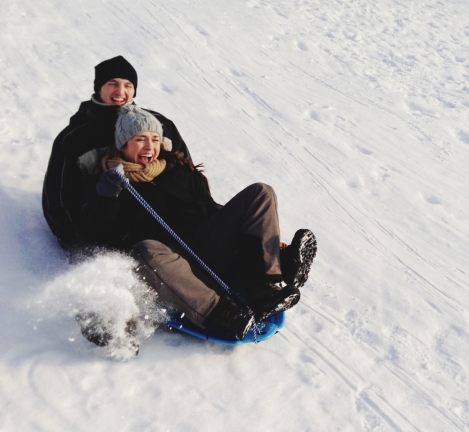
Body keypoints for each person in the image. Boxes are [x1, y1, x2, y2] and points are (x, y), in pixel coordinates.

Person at [77, 105, 317, 345]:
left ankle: (265, 287)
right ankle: (224, 314)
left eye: (154, 139)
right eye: (140, 139)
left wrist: (259, 235)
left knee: (261, 193)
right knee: (147, 249)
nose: (149, 147)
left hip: (205, 246)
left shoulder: (178, 171)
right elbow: (97, 237)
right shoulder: (110, 183)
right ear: (123, 144)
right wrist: (106, 197)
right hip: (165, 266)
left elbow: (212, 209)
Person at [42, 56, 191, 254]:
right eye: (113, 84)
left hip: (169, 220)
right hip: (109, 230)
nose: (121, 92)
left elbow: (187, 172)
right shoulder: (77, 137)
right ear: (99, 88)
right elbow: (58, 194)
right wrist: (73, 240)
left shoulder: (160, 125)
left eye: (128, 85)